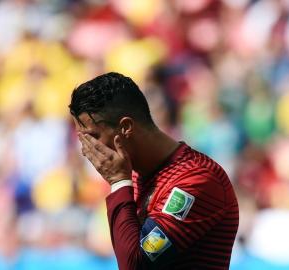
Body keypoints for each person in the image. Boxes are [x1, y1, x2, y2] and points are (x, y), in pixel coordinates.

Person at [68, 72, 239, 269]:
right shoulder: (132, 174)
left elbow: (135, 265)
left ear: (125, 127)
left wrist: (118, 181)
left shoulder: (196, 180)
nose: (86, 150)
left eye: (92, 137)